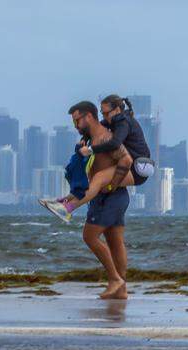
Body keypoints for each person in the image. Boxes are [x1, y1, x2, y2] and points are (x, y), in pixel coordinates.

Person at [41, 95, 154, 221]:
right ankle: (63, 201)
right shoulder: (113, 120)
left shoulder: (124, 122)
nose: (104, 117)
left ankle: (68, 209)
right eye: (102, 113)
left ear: (117, 110)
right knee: (92, 179)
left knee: (99, 178)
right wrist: (85, 138)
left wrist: (90, 150)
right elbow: (96, 127)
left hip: (138, 169)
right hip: (130, 163)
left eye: (106, 113)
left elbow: (115, 143)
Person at [64, 101, 131, 299]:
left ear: (89, 117)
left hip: (110, 197)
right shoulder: (89, 139)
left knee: (89, 236)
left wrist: (112, 184)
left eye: (77, 120)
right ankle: (121, 289)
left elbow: (126, 160)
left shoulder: (105, 138)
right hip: (108, 197)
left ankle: (115, 280)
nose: (76, 125)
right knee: (115, 241)